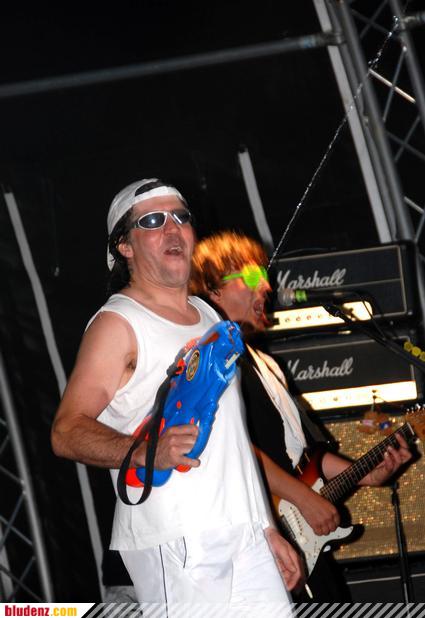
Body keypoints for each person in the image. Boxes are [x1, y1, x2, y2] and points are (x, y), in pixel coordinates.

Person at [51, 178, 303, 614]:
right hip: (175, 535)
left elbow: (233, 439)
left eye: (180, 217)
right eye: (152, 221)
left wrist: (266, 526)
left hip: (243, 534)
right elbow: (66, 431)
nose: (172, 228)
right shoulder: (118, 323)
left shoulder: (207, 313)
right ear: (124, 247)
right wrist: (145, 451)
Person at [190, 230, 413, 601]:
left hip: (302, 540)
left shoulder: (266, 365)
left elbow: (309, 455)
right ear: (212, 290)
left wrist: (367, 473)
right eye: (251, 277)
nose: (266, 287)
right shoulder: (210, 363)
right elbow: (227, 449)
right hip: (253, 538)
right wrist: (306, 500)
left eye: (265, 277)